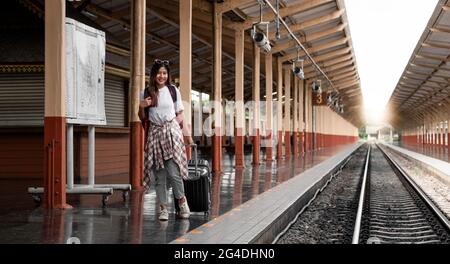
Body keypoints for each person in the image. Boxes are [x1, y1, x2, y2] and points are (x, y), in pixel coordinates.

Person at [139, 59, 193, 221]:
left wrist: (187, 135)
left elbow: (180, 114)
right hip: (155, 134)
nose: (161, 76)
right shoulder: (146, 92)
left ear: (168, 75)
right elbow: (142, 118)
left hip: (171, 132)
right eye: (159, 73)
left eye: (164, 73)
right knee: (159, 175)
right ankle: (163, 208)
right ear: (153, 75)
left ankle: (182, 202)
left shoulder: (173, 90)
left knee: (173, 171)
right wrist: (141, 106)